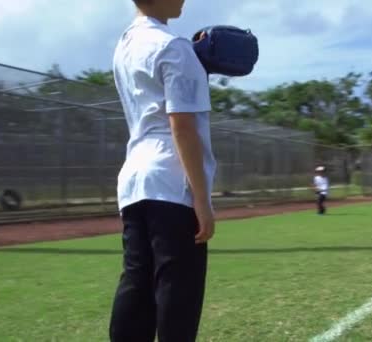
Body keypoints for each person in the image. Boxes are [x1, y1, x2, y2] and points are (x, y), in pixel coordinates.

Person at [109, 0, 216, 341]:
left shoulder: (124, 47)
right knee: (177, 289)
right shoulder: (174, 46)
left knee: (137, 284)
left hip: (134, 180)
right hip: (171, 180)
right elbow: (181, 126)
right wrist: (201, 199)